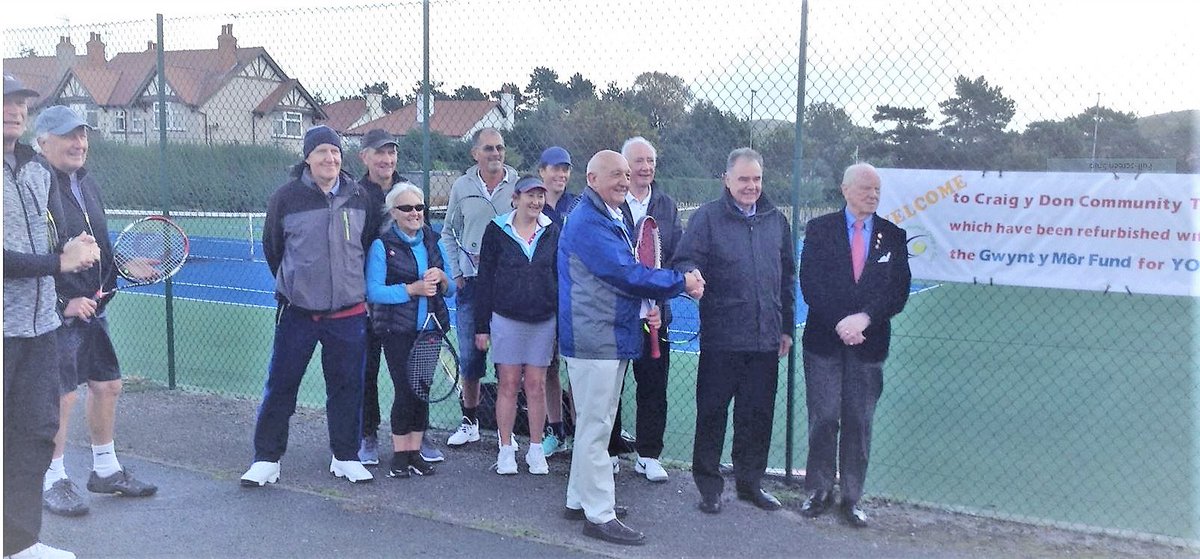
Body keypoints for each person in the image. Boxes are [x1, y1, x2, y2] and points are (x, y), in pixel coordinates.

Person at [557, 150, 704, 545]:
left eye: (626, 174)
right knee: (596, 427)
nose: (624, 180)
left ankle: (579, 501)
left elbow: (622, 278)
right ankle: (599, 515)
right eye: (615, 174)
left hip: (606, 334)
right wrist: (681, 283)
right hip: (595, 338)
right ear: (591, 179)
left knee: (595, 422)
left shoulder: (608, 215)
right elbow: (626, 274)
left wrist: (649, 307)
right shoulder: (591, 221)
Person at [240, 125, 380, 487]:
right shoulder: (285, 198)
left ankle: (345, 456)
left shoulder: (359, 196)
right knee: (282, 385)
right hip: (298, 313)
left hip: (348, 313)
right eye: (321, 153)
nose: (330, 159)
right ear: (307, 158)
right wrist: (297, 286)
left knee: (347, 387)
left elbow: (364, 247)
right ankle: (267, 459)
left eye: (334, 153)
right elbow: (274, 250)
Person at [35, 106, 157, 520]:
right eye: (69, 136)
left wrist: (123, 265)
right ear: (43, 142)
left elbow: (97, 245)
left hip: (94, 310)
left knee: (107, 386)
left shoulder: (88, 185)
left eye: (83, 135)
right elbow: (29, 258)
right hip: (54, 315)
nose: (79, 143)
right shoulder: (34, 187)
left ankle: (106, 470)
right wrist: (60, 303)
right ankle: (52, 479)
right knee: (63, 397)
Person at [4, 73, 96, 559]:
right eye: (4, 102)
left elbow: (48, 243)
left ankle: (19, 544)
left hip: (40, 329)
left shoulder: (37, 172)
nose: (13, 110)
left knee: (35, 436)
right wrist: (58, 261)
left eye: (20, 103)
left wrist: (71, 249)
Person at [673, 147, 795, 515]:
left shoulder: (776, 220)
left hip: (765, 338)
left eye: (756, 179)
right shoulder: (707, 219)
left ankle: (750, 483)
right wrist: (693, 275)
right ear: (727, 180)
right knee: (712, 413)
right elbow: (684, 259)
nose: (751, 186)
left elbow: (787, 277)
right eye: (743, 179)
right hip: (722, 337)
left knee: (756, 415)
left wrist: (786, 327)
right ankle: (709, 487)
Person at [798, 162, 911, 528]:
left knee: (859, 422)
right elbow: (811, 284)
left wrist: (864, 319)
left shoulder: (893, 236)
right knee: (825, 417)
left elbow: (897, 291)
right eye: (865, 188)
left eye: (877, 189)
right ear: (845, 190)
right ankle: (818, 490)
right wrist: (839, 323)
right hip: (824, 342)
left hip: (869, 344)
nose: (873, 194)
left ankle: (850, 498)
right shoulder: (819, 231)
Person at [355, 129, 443, 466]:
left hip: (408, 309)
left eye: (391, 153)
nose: (386, 159)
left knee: (415, 375)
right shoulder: (354, 193)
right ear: (365, 156)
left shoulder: (408, 190)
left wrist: (438, 277)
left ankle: (417, 436)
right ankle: (367, 434)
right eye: (379, 153)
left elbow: (427, 240)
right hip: (366, 298)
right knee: (367, 370)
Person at [365, 181, 454, 479]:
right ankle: (400, 455)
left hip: (430, 330)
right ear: (394, 212)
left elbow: (452, 287)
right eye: (407, 208)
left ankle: (415, 453)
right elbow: (374, 291)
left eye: (419, 207)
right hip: (397, 332)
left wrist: (441, 276)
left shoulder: (433, 241)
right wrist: (411, 289)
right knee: (406, 391)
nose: (415, 213)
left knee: (422, 391)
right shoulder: (382, 246)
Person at [473, 176, 559, 475]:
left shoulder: (552, 231)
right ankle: (506, 449)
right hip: (506, 319)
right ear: (516, 198)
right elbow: (484, 280)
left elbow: (558, 277)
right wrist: (481, 326)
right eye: (530, 196)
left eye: (540, 196)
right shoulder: (496, 231)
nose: (535, 202)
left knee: (535, 386)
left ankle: (536, 450)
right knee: (508, 384)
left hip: (544, 321)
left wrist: (560, 321)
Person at [608, 136, 683, 482]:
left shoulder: (666, 205)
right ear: (624, 167)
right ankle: (608, 451)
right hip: (616, 315)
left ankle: (648, 455)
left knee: (653, 387)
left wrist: (659, 302)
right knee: (612, 388)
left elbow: (676, 260)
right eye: (638, 161)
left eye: (650, 160)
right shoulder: (608, 202)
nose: (645, 167)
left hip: (655, 318)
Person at [440, 127, 517, 447]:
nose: (495, 154)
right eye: (488, 149)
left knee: (507, 362)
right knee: (472, 358)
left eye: (499, 148)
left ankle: (506, 431)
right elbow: (448, 233)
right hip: (471, 286)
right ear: (475, 154)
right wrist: (457, 272)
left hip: (507, 287)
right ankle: (470, 422)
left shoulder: (518, 184)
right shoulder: (461, 186)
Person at [535, 146, 575, 457]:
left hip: (574, 299)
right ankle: (556, 429)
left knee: (576, 368)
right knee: (548, 367)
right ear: (542, 172)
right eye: (554, 168)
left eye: (565, 169)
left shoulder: (578, 206)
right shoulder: (532, 207)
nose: (560, 174)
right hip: (544, 299)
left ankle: (580, 431)